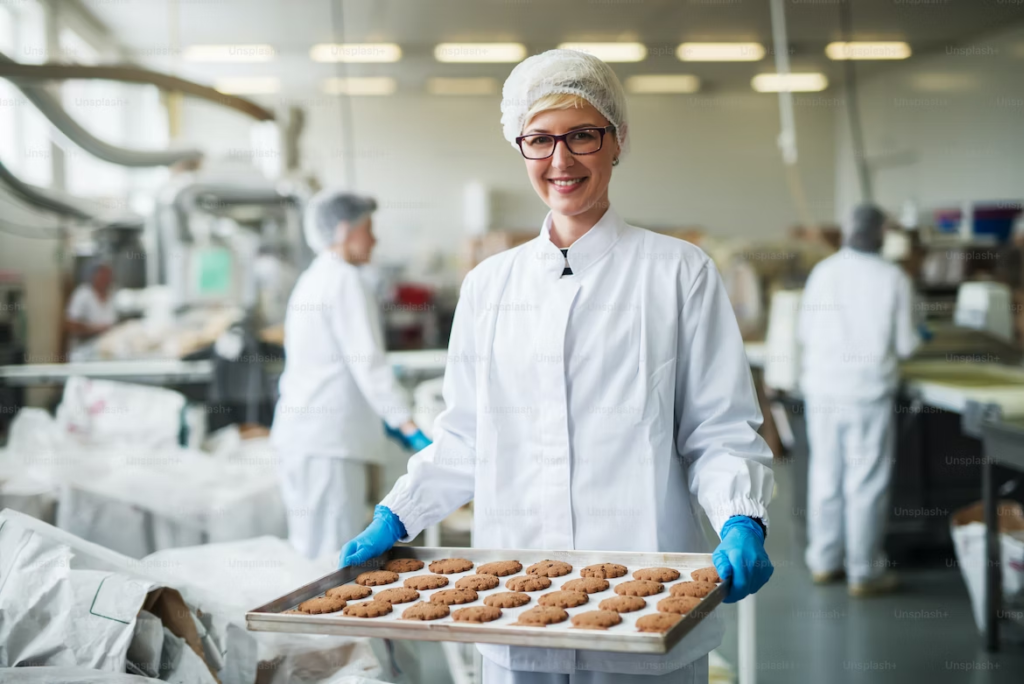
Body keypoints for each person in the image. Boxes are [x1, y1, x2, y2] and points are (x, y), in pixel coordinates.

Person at [341, 50, 774, 683]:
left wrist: (741, 515)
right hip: (514, 610)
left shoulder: (678, 274)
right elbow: (464, 437)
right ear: (520, 146)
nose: (560, 160)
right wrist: (398, 513)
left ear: (618, 140)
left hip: (646, 605)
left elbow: (718, 430)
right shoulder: (489, 286)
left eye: (582, 135)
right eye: (540, 140)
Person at [271, 190, 431, 560]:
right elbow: (368, 363)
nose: (374, 239)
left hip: (306, 439)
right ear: (344, 230)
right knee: (332, 560)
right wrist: (409, 428)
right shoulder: (345, 279)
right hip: (328, 444)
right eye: (368, 228)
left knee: (311, 553)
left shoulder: (314, 277)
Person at [799, 204, 921, 596]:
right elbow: (906, 344)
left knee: (826, 477)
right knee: (865, 482)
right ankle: (864, 574)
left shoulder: (824, 271)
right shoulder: (894, 278)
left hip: (822, 390)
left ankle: (824, 561)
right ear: (882, 233)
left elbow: (804, 331)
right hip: (867, 393)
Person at [66, 262, 117, 349]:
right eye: (103, 276)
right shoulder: (83, 294)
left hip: (107, 348)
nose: (106, 280)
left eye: (108, 276)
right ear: (94, 276)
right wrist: (96, 329)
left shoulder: (113, 295)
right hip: (83, 350)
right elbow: (70, 325)